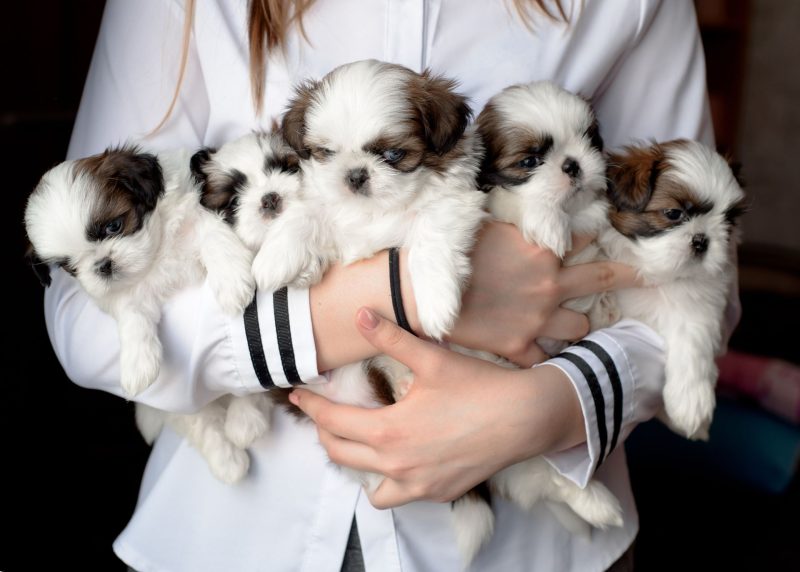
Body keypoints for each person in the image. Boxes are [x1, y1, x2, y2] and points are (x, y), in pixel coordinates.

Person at [48, 0, 726, 570]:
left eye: (392, 152)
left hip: (537, 547)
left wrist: (555, 406)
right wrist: (371, 301)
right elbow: (82, 310)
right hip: (233, 531)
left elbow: (696, 264)